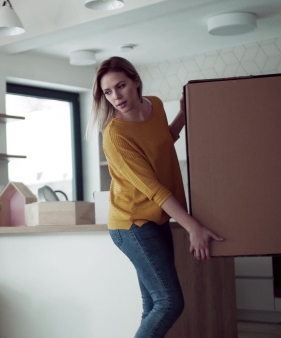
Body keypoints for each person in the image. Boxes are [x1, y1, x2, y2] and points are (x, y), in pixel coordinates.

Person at [90, 56, 224, 338]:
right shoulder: (114, 134)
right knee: (170, 303)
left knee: (153, 304)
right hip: (132, 224)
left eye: (121, 86)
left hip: (155, 218)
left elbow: (162, 141)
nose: (116, 96)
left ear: (136, 81)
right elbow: (152, 187)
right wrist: (192, 227)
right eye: (108, 92)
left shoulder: (155, 104)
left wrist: (184, 114)